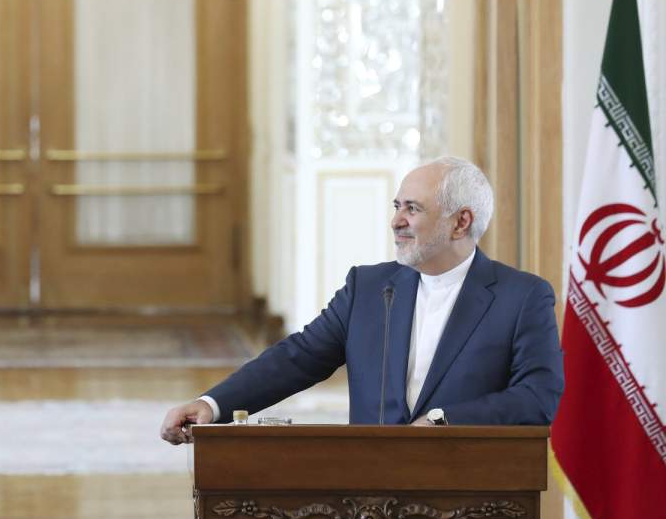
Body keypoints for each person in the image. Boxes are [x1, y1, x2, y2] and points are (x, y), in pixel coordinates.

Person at [160, 157, 564, 443]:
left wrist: (444, 421)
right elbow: (296, 359)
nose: (396, 221)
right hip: (370, 503)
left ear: (461, 222)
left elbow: (538, 396)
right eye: (396, 206)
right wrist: (212, 405)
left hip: (472, 499)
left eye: (412, 208)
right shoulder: (369, 289)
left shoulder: (522, 296)